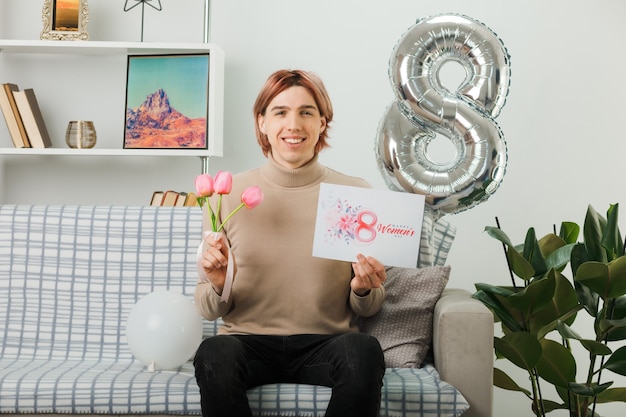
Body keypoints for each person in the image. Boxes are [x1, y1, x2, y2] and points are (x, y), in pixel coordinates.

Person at [193, 69, 387, 417]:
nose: (293, 124)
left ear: (323, 122)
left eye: (307, 112)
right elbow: (208, 309)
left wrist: (362, 289)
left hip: (325, 344)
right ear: (262, 122)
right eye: (280, 112)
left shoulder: (355, 193)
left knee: (364, 349)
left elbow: (369, 309)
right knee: (213, 353)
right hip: (247, 343)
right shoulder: (226, 194)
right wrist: (219, 284)